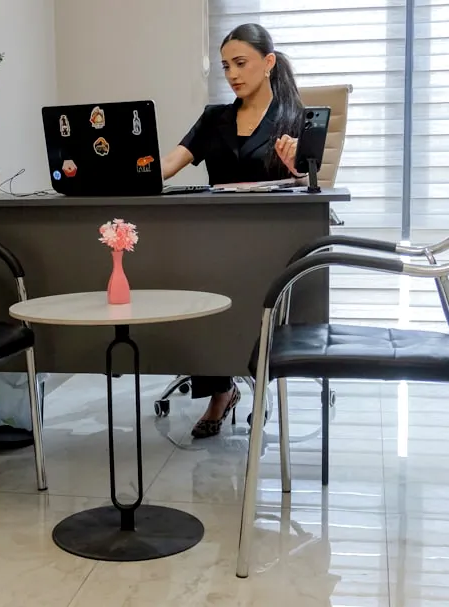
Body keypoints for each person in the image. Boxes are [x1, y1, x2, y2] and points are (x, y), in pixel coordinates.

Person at [161, 23, 308, 439]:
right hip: (215, 238)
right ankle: (220, 391)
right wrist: (129, 170)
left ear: (268, 62)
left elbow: (315, 186)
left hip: (271, 243)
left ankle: (254, 378)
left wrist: (299, 168)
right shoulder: (215, 119)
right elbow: (168, 165)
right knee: (195, 284)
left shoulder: (293, 119)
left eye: (241, 63)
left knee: (232, 286)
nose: (233, 74)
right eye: (226, 66)